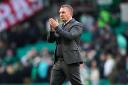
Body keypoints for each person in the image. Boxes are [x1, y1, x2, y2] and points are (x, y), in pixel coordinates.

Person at [48, 4, 83, 85]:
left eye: (63, 12)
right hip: (58, 61)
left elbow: (70, 36)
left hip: (71, 60)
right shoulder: (60, 26)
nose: (60, 14)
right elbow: (50, 40)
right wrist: (52, 31)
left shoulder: (77, 25)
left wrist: (57, 28)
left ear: (70, 13)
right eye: (60, 12)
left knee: (76, 83)